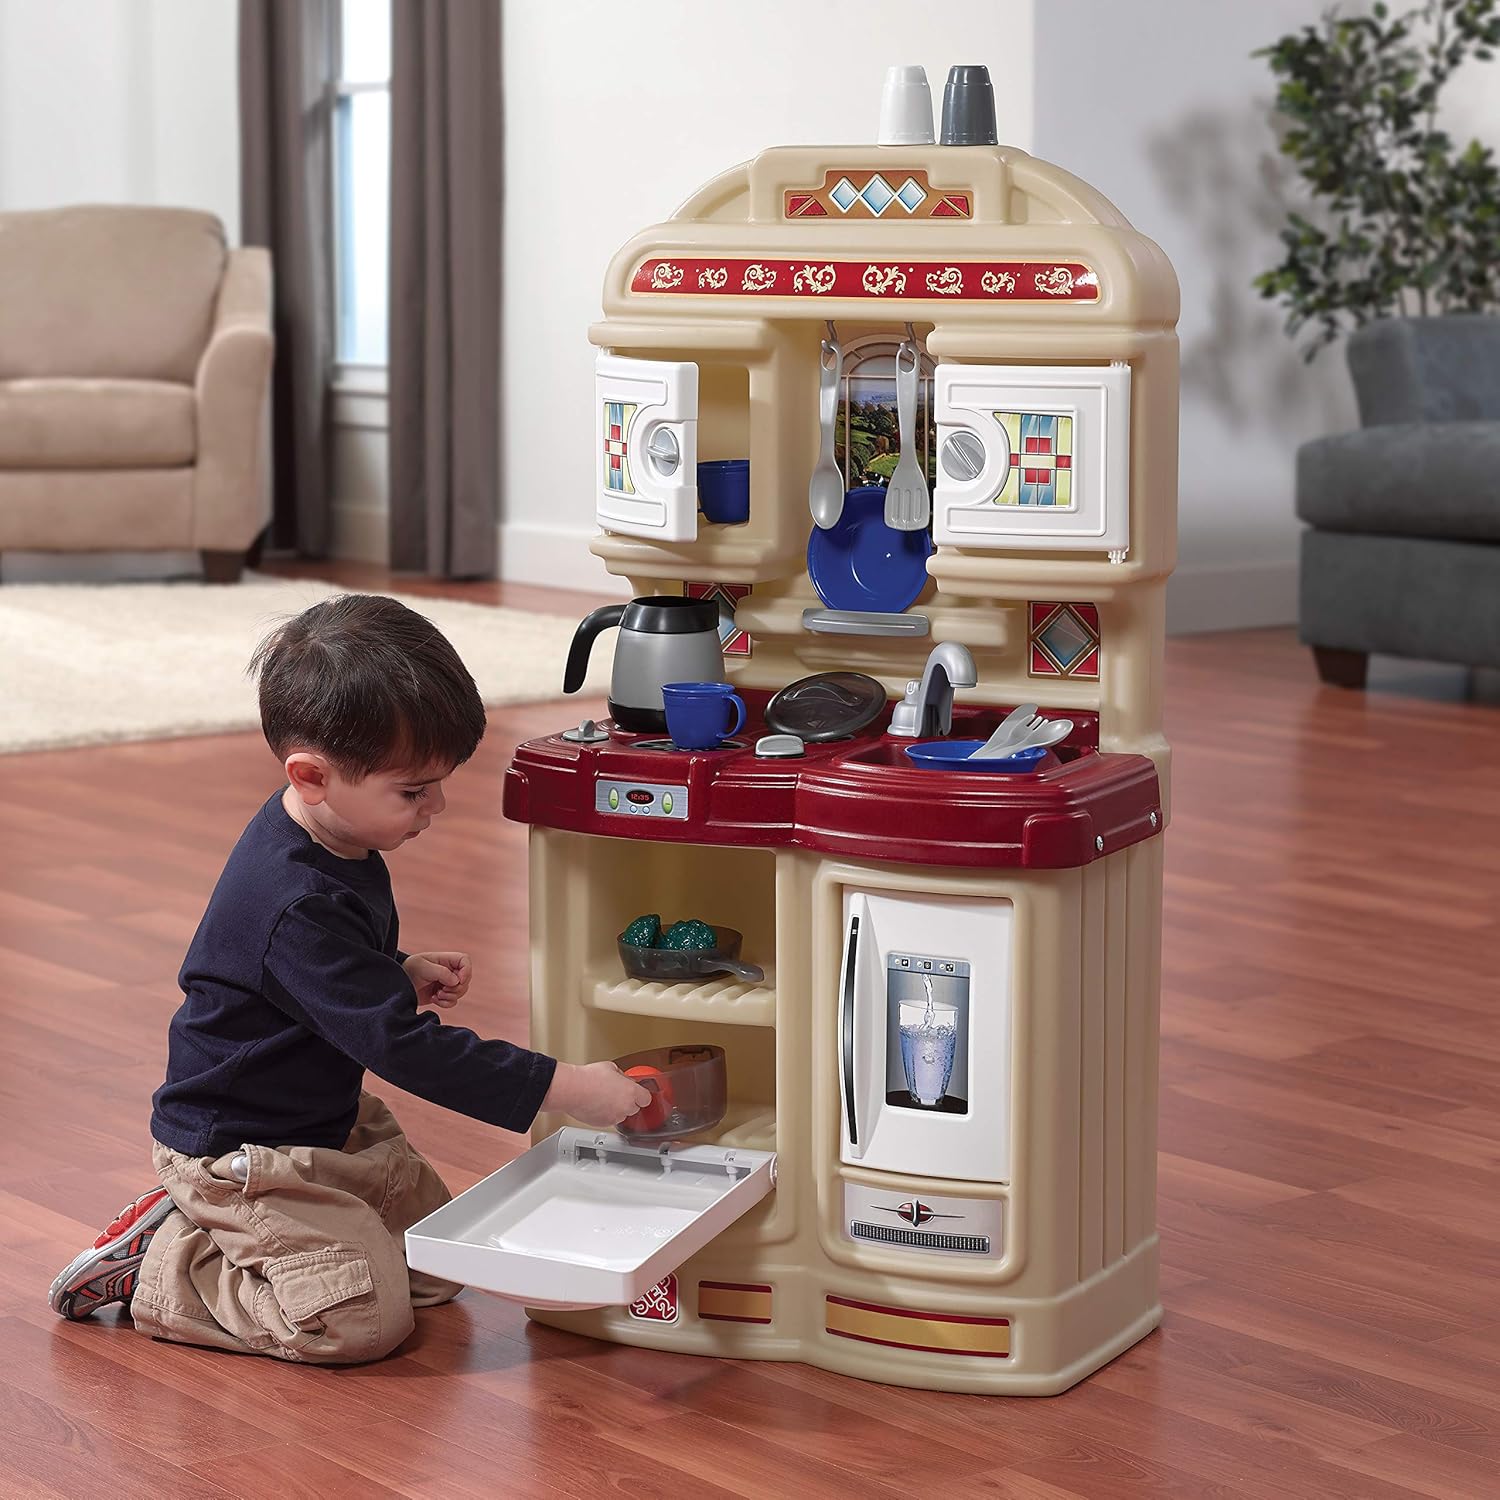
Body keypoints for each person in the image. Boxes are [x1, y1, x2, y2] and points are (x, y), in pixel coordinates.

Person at [47, 593, 649, 1363]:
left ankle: (258, 1240)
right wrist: (568, 1088)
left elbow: (308, 975)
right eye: (413, 790)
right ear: (312, 776)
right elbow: (406, 1050)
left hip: (322, 1122)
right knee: (358, 1322)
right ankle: (161, 1263)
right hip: (239, 1154)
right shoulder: (292, 896)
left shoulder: (331, 834)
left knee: (439, 1264)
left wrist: (391, 970)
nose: (437, 805)